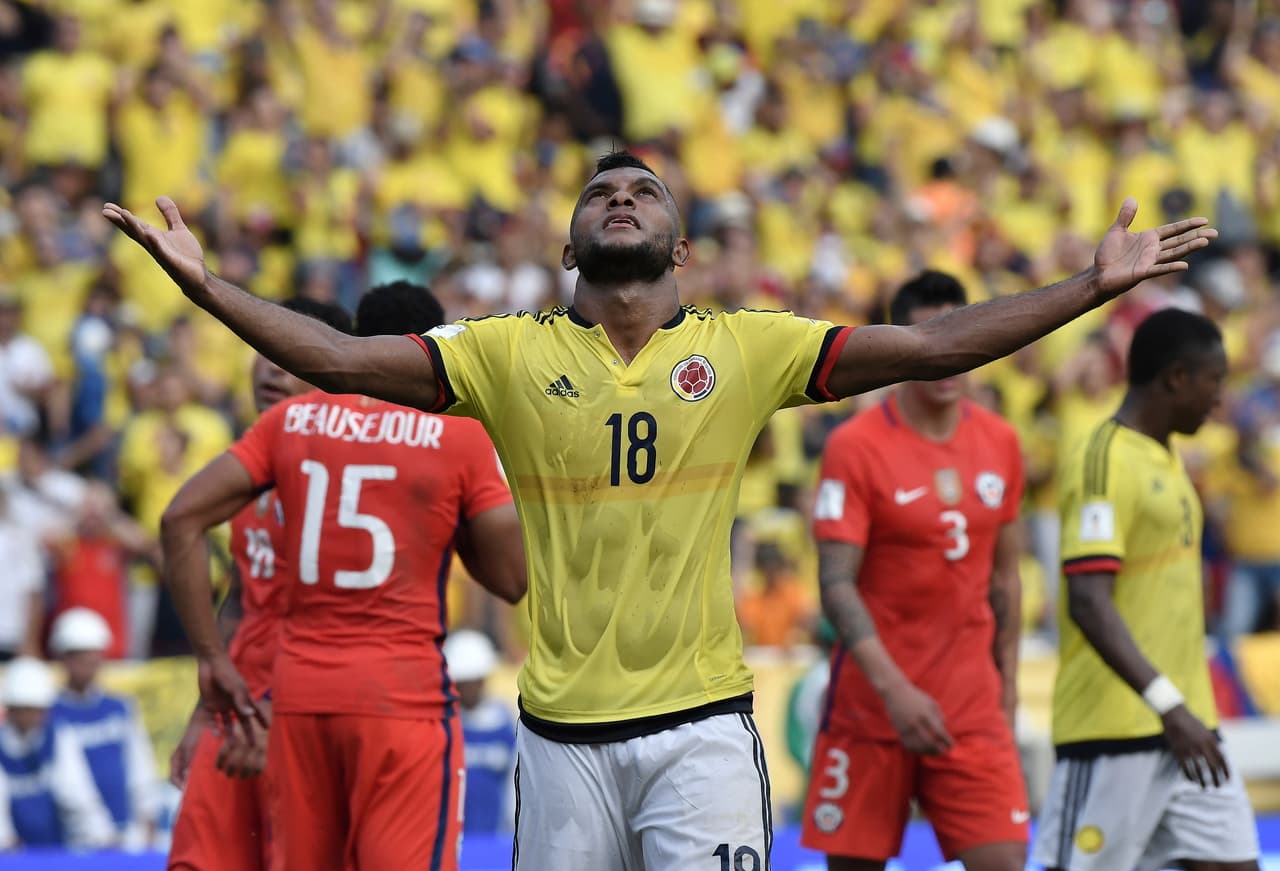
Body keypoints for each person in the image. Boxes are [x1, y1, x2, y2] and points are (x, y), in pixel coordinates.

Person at [105, 150, 1217, 869]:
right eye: (600, 193)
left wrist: (1089, 289)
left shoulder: (745, 347)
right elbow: (341, 356)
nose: (619, 199)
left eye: (642, 194)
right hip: (558, 740)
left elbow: (931, 344)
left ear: (679, 251)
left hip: (700, 731)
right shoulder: (502, 354)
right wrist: (207, 289)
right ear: (569, 248)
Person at [159, 281, 526, 871]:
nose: (273, 374)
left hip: (296, 698)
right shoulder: (459, 434)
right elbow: (513, 580)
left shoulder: (291, 428)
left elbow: (179, 518)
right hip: (397, 698)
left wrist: (211, 665)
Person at [800, 271, 1027, 871]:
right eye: (935, 336)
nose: (952, 354)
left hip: (971, 708)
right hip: (870, 711)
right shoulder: (855, 447)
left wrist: (1008, 691)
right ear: (902, 345)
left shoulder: (1002, 442)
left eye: (962, 335)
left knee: (1004, 861)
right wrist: (895, 691)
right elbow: (835, 584)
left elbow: (1005, 579)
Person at [1033, 308, 1260, 871]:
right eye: (1215, 380)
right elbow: (1088, 600)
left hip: (1190, 730)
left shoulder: (1168, 456)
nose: (1219, 399)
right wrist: (1168, 705)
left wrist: (1184, 712)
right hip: (1117, 730)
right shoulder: (1102, 460)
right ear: (1177, 378)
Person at [167, 297, 353, 871]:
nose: (272, 367)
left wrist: (285, 711)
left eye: (290, 355)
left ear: (332, 371)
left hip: (308, 714)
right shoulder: (245, 463)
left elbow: (347, 618)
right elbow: (244, 596)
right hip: (238, 704)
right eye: (264, 351)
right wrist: (203, 712)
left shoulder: (348, 474)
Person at [48, 608, 158, 851]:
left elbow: (140, 762)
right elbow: (68, 784)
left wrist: (148, 813)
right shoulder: (49, 714)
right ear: (63, 658)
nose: (88, 664)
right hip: (80, 840)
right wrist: (99, 832)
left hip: (130, 834)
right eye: (79, 656)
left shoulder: (120, 707)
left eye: (93, 655)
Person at [0, 656, 115, 850]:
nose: (32, 717)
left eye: (37, 709)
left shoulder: (59, 738)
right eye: (24, 709)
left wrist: (101, 836)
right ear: (10, 709)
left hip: (58, 851)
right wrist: (5, 843)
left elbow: (79, 795)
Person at [443, 628, 517, 835]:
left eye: (473, 681)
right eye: (461, 682)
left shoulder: (506, 721)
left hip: (496, 838)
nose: (467, 688)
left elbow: (515, 785)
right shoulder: (445, 725)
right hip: (455, 838)